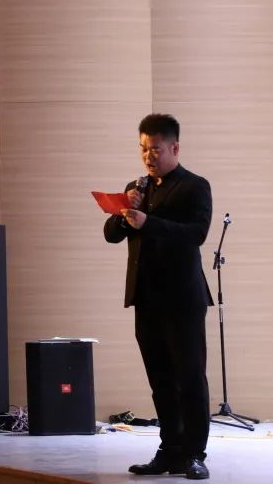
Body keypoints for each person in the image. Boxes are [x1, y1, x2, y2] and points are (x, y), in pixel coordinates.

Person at [103, 114, 214, 480]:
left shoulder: (195, 186)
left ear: (174, 148)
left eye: (154, 149)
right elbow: (111, 234)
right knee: (161, 380)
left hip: (182, 299)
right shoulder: (137, 187)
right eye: (142, 149)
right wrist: (124, 214)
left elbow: (196, 234)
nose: (147, 156)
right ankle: (169, 450)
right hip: (146, 297)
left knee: (190, 377)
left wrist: (148, 221)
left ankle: (194, 454)